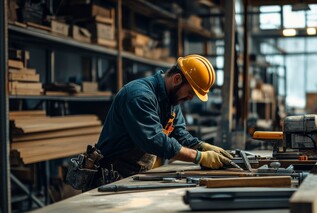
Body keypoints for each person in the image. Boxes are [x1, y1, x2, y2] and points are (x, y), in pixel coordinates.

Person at [95, 54, 233, 179]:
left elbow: (178, 133)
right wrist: (198, 157)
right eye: (191, 92)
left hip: (134, 174)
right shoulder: (139, 96)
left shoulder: (172, 100)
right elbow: (153, 140)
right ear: (177, 79)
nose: (191, 98)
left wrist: (202, 146)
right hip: (110, 176)